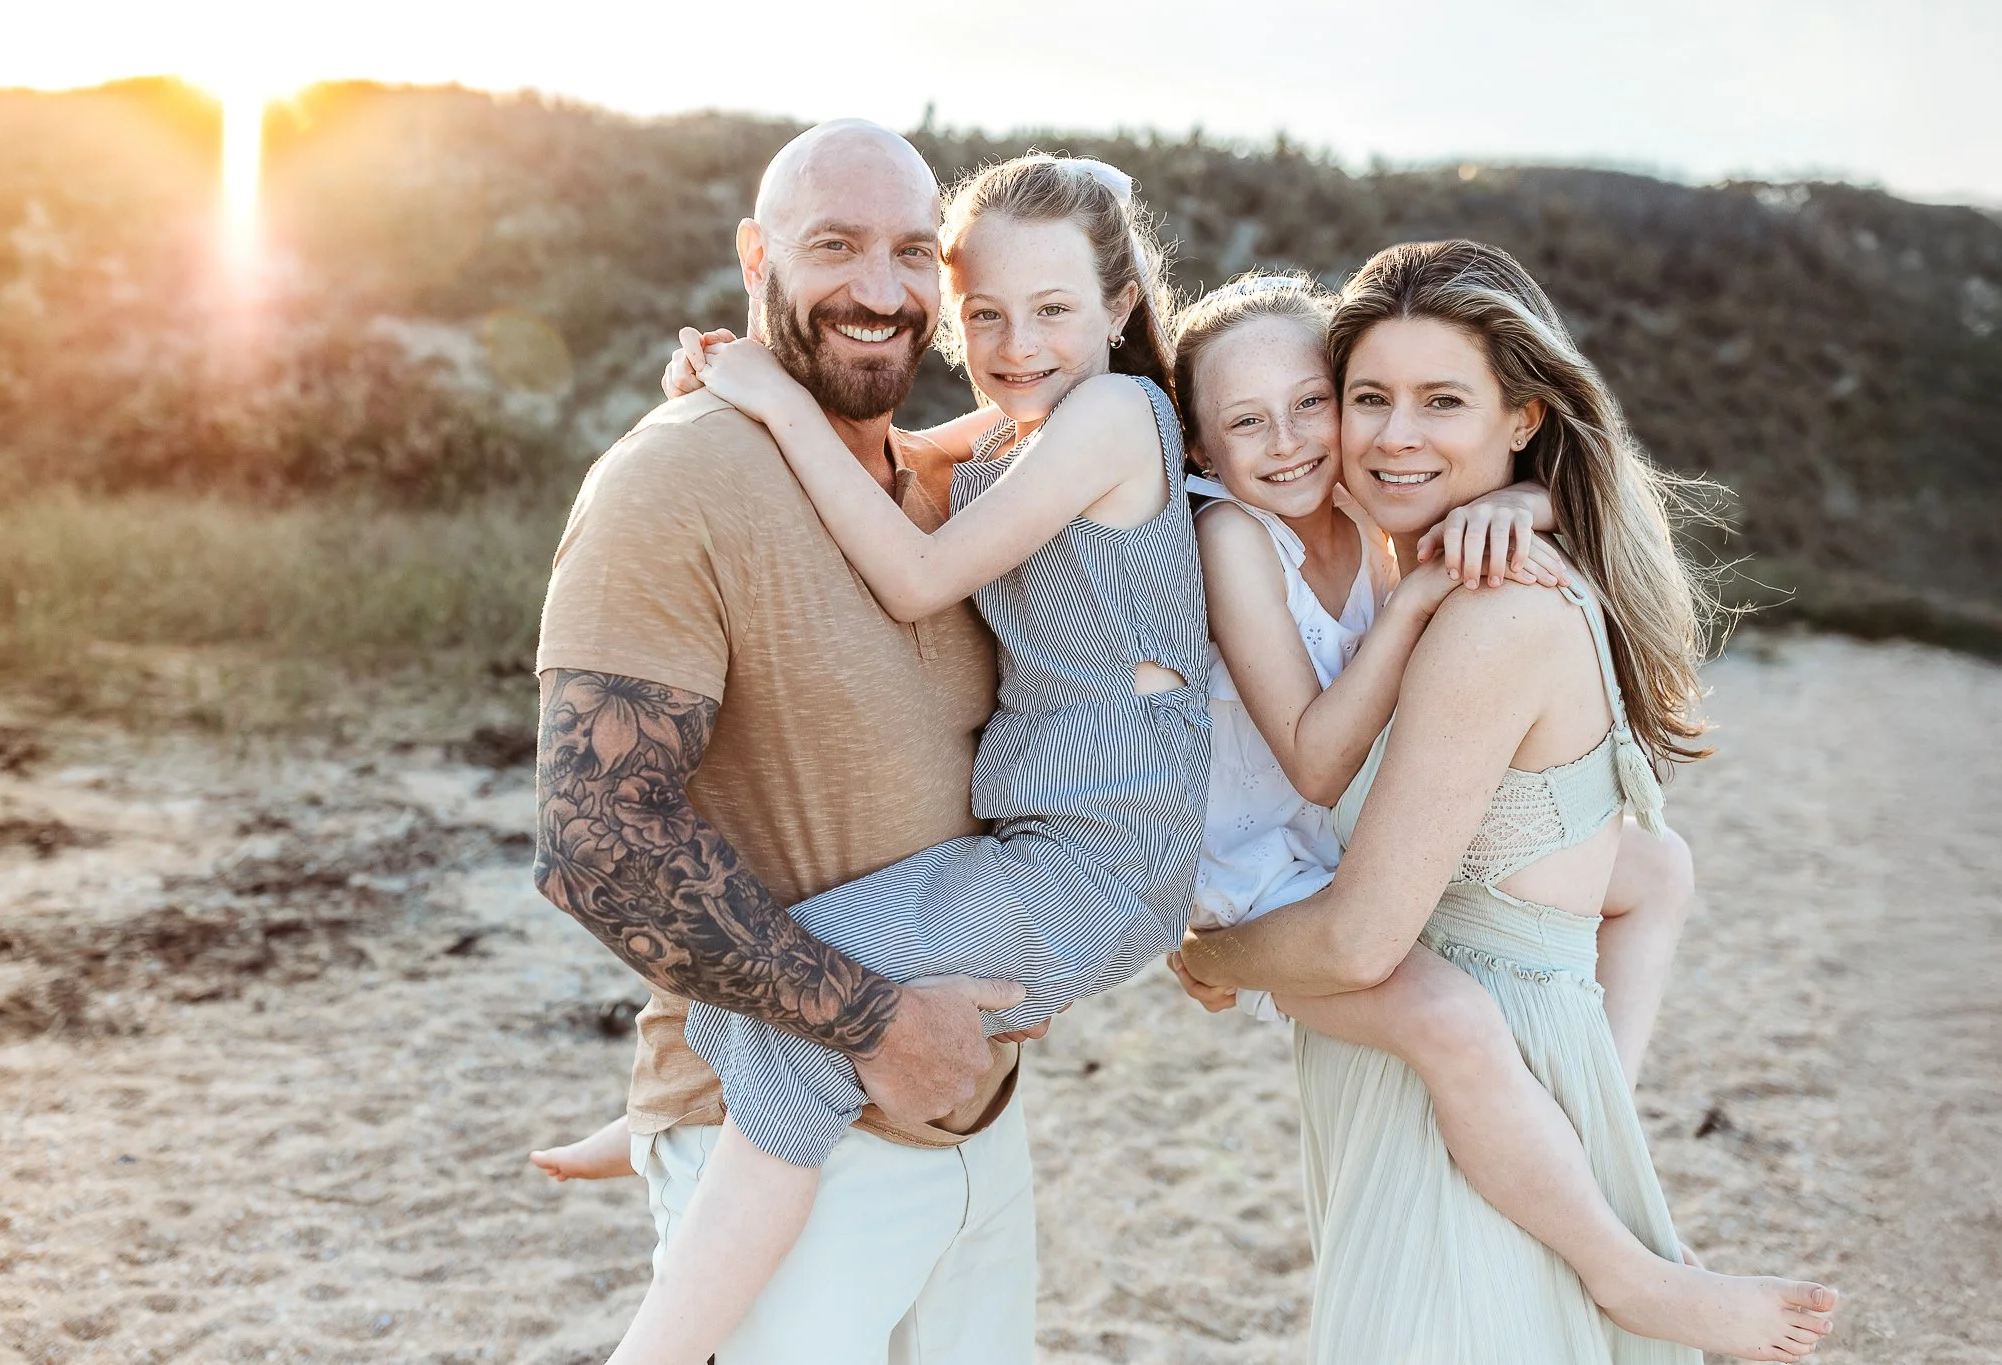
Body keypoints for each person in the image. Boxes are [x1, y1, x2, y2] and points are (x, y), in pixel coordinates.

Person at [594, 149, 1215, 1364]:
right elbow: (912, 461)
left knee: (800, 995)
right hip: (1054, 850)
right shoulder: (1041, 417)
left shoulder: (1112, 412)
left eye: (1050, 311)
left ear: (1120, 310)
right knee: (800, 971)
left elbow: (919, 568)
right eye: (982, 314)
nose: (1015, 341)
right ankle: (650, 1129)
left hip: (1095, 864)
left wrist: (772, 401)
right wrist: (751, 399)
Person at [1179, 242, 1838, 1364]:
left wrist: (1205, 959)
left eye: (1438, 400)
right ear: (1201, 444)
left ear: (1522, 417)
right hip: (1474, 1036)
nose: (1379, 436)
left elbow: (1356, 936)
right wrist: (1513, 506)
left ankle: (1623, 1260)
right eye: (1370, 398)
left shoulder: (1482, 605)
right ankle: (1600, 1183)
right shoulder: (1362, 547)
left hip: (1414, 1011)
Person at [531, 120, 1038, 1365]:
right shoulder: (673, 482)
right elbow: (597, 840)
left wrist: (1522, 491)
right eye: (835, 247)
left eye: (914, 252)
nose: (880, 290)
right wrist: (874, 1023)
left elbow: (1230, 432)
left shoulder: (948, 489)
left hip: (981, 1130)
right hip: (775, 1143)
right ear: (757, 256)